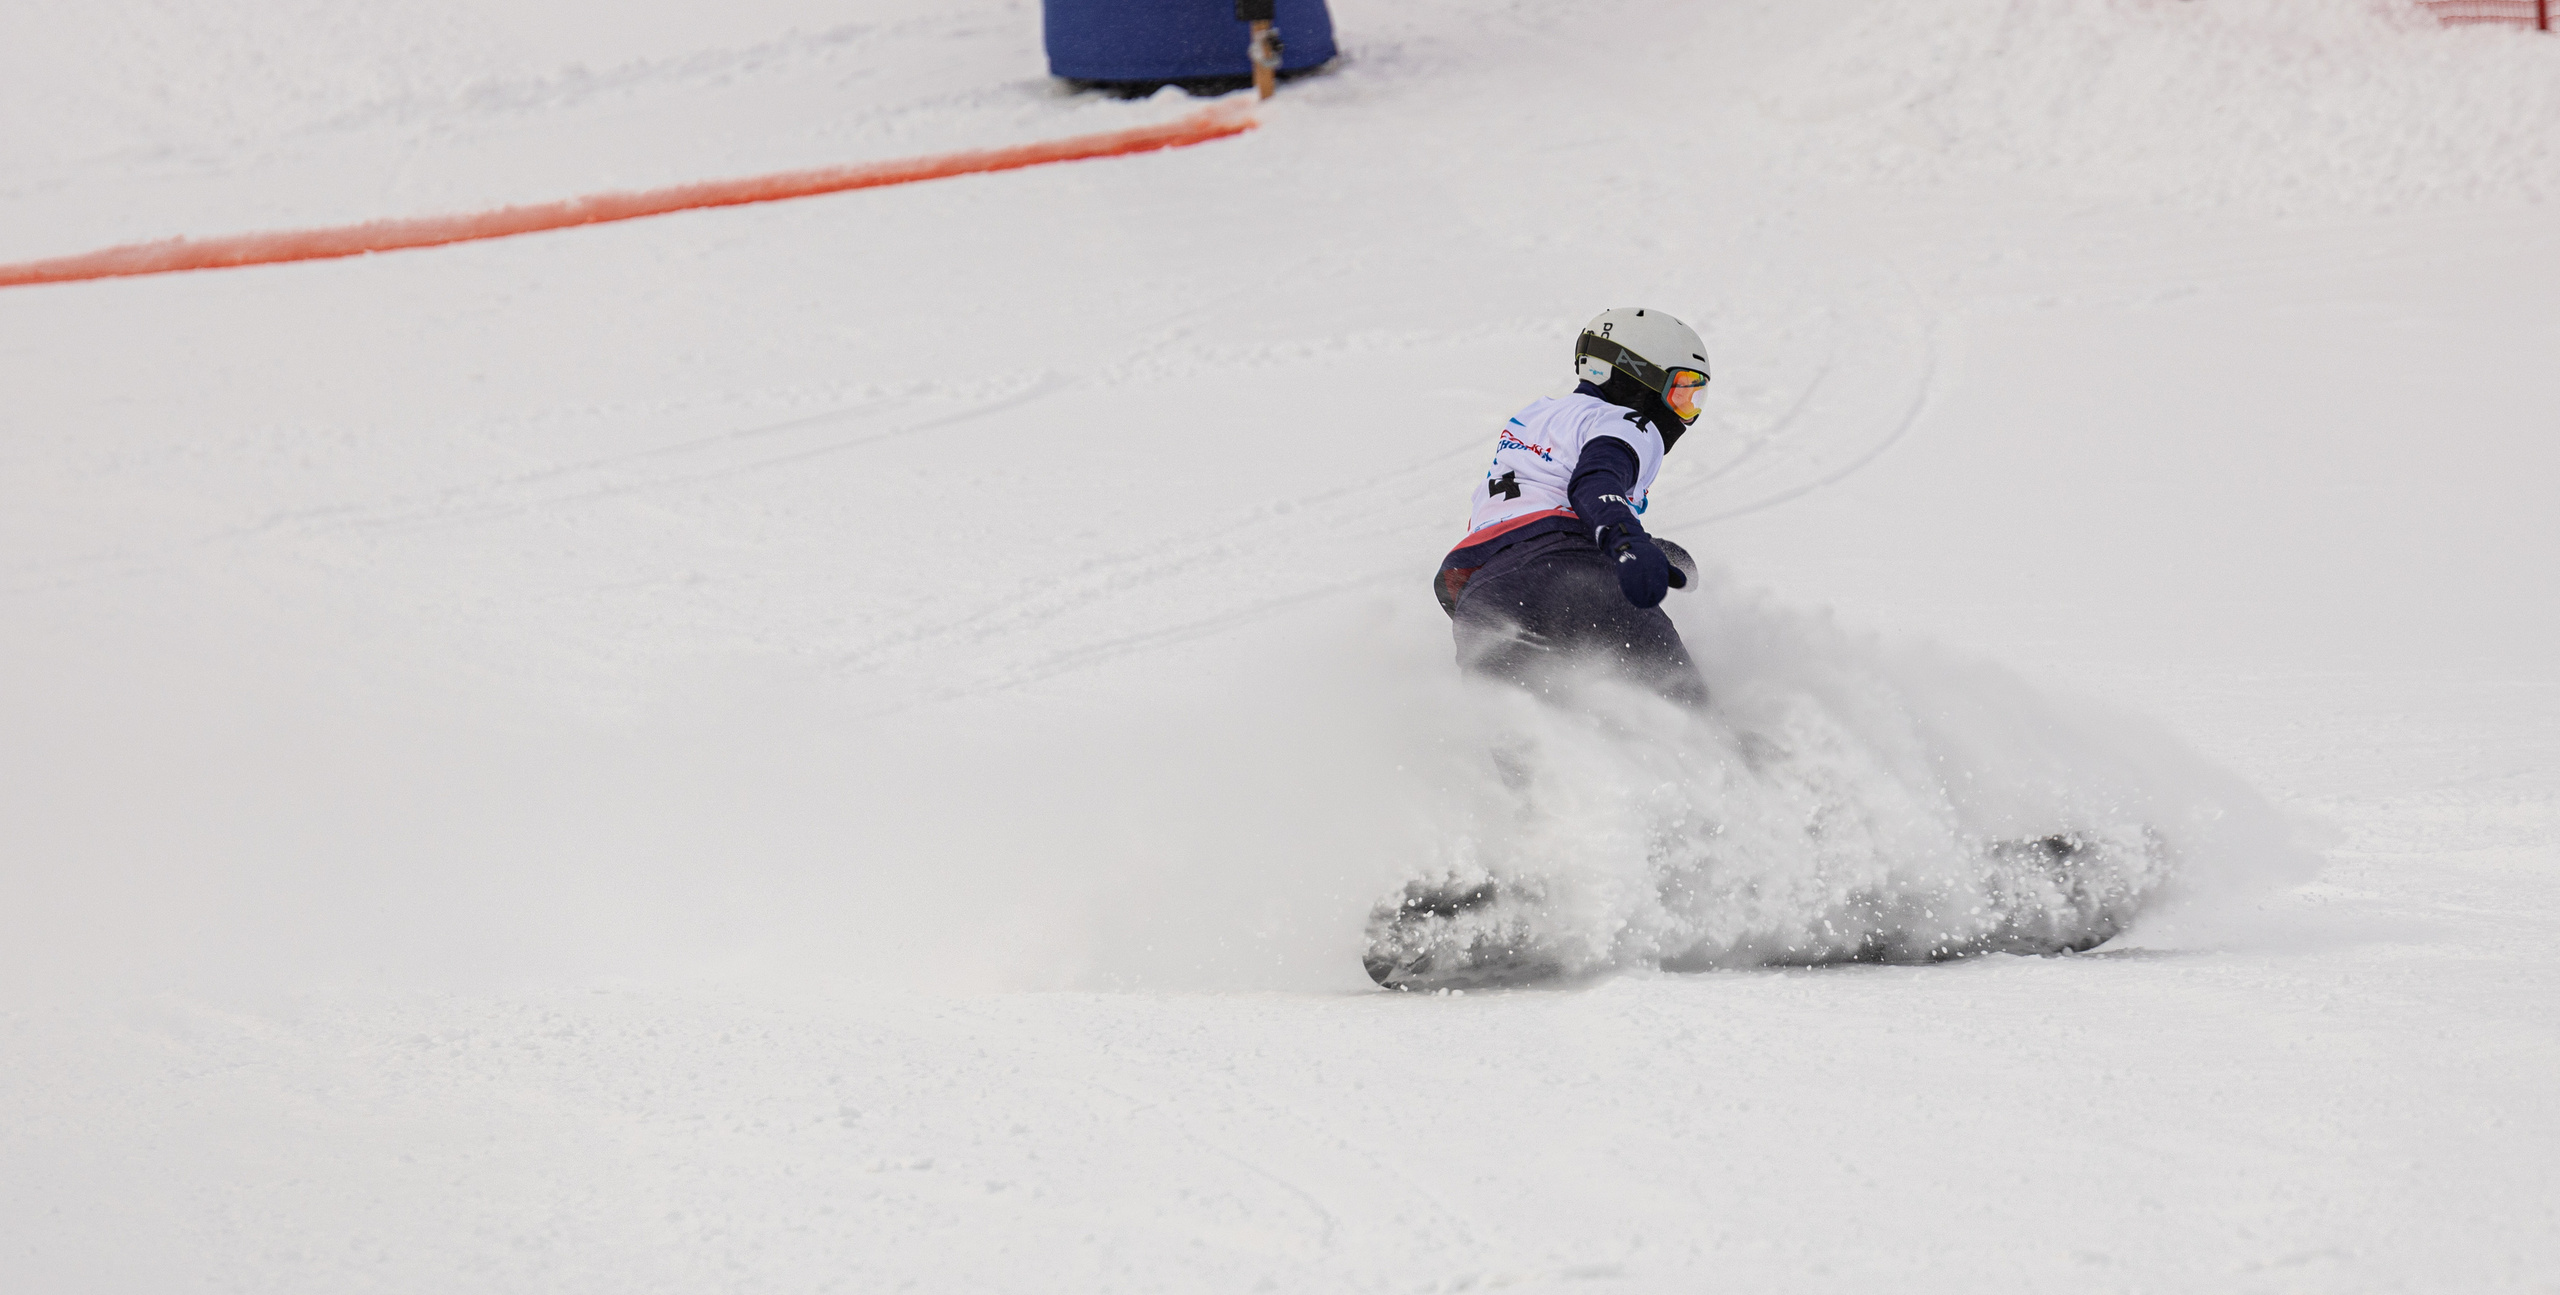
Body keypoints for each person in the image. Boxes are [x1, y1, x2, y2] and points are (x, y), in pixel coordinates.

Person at [1434, 308, 1712, 706]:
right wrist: (1627, 543)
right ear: (1638, 374)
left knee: (1526, 734)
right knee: (1694, 719)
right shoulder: (1628, 422)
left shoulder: (1534, 418)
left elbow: (1537, 508)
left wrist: (1643, 543)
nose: (1685, 415)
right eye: (1681, 392)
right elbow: (1594, 483)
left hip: (1481, 599)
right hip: (1571, 575)